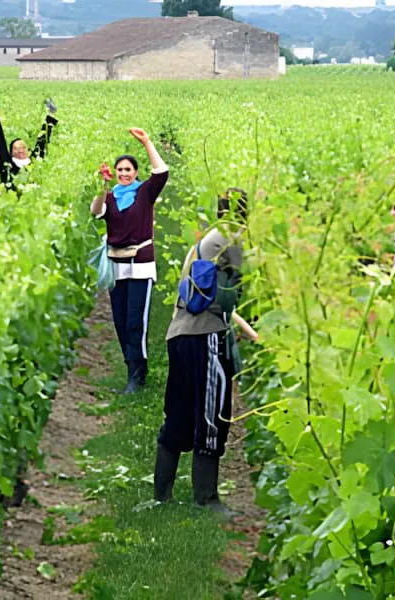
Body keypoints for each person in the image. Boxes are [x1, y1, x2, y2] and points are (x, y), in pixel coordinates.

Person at [153, 188, 251, 516]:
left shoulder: (208, 238)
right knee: (212, 415)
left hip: (179, 334)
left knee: (179, 412)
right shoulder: (231, 240)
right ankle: (206, 499)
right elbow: (230, 297)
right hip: (205, 336)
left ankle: (161, 496)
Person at [90, 129, 169, 394]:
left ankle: (138, 373)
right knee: (121, 321)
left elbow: (162, 173)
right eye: (120, 170)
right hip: (116, 266)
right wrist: (102, 185)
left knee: (136, 320)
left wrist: (147, 143)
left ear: (136, 172)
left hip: (141, 265)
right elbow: (96, 211)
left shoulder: (145, 193)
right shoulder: (111, 197)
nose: (124, 174)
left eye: (128, 170)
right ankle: (131, 368)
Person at [0, 95, 58, 190]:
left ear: (28, 151)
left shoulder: (33, 163)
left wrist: (51, 114)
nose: (20, 150)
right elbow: (0, 142)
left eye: (23, 147)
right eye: (16, 148)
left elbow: (42, 141)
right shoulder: (8, 165)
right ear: (11, 153)